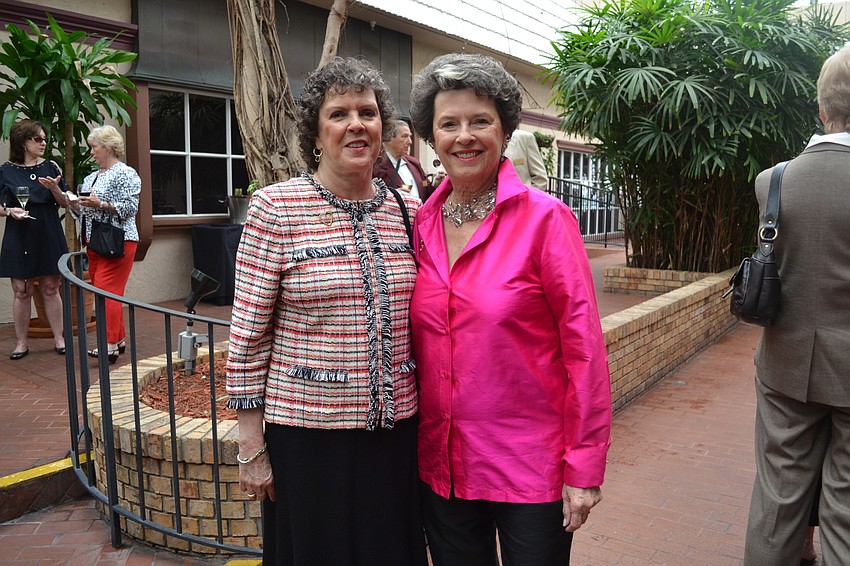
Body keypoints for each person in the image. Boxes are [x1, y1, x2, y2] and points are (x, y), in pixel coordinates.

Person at [408, 52, 612, 565]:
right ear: (432, 139)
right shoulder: (422, 224)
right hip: (445, 468)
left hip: (531, 469)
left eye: (480, 121)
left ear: (504, 128)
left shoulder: (546, 221)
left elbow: (584, 351)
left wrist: (584, 467)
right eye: (448, 124)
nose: (465, 136)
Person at [225, 57, 427, 566]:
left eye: (368, 112)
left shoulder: (408, 211)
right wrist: (251, 447)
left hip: (395, 435)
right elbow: (248, 337)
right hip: (309, 441)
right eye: (339, 114)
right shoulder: (276, 209)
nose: (357, 124)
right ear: (315, 134)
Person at [743, 45, 850, 565]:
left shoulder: (774, 180)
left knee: (778, 500)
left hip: (786, 362)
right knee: (845, 510)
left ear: (821, 110)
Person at [68, 125, 140, 365]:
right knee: (107, 293)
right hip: (94, 243)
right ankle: (117, 340)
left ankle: (108, 345)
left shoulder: (125, 173)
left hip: (118, 241)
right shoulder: (92, 176)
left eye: (94, 147)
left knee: (107, 293)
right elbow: (83, 212)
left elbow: (131, 208)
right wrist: (66, 199)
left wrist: (102, 204)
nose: (91, 153)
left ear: (109, 147)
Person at [0, 119, 69, 359]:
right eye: (37, 139)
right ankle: (21, 343)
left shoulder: (51, 166)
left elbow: (65, 202)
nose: (43, 143)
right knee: (21, 289)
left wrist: (55, 190)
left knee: (51, 287)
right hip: (19, 232)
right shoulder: (6, 170)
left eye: (44, 139)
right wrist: (10, 211)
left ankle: (60, 339)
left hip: (47, 229)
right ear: (23, 141)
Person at [373, 119, 434, 201]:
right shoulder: (377, 167)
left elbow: (427, 189)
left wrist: (436, 183)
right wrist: (393, 196)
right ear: (389, 138)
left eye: (410, 136)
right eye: (405, 136)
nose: (410, 142)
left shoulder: (414, 163)